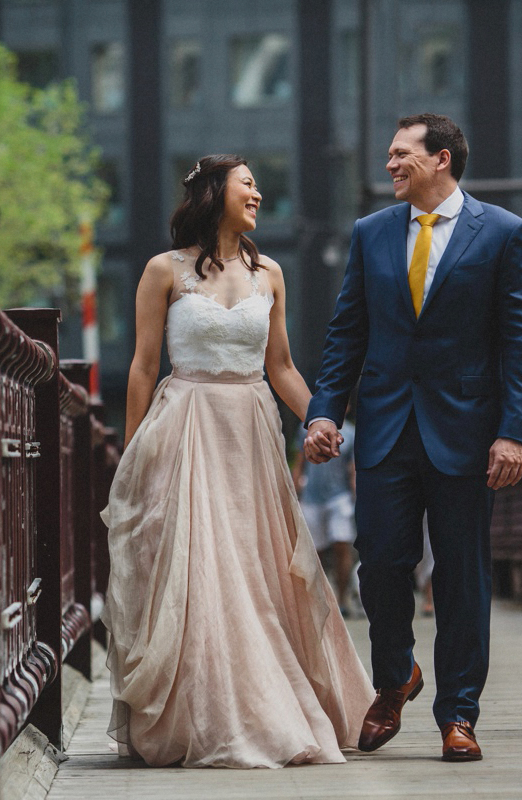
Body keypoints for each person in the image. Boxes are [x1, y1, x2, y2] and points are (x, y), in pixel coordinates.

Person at [100, 155, 374, 769]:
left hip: (250, 432)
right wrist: (132, 454)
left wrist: (319, 418)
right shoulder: (161, 271)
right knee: (198, 571)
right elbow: (144, 368)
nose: (256, 193)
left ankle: (266, 703)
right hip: (185, 427)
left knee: (258, 568)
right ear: (214, 191)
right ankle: (197, 713)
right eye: (247, 183)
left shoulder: (270, 273)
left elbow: (280, 367)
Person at [304, 113, 522, 762]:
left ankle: (459, 713)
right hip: (384, 431)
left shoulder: (503, 234)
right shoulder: (371, 234)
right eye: (389, 154)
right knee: (381, 564)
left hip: (467, 434)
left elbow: (521, 342)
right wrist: (323, 412)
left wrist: (513, 433)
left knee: (462, 575)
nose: (390, 165)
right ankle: (395, 677)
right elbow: (345, 333)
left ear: (441, 159)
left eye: (401, 153)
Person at [292, 416, 357, 616]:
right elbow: (299, 463)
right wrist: (294, 493)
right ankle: (316, 600)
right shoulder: (306, 428)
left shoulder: (351, 433)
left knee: (341, 545)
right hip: (312, 497)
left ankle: (342, 598)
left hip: (339, 497)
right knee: (314, 552)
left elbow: (353, 469)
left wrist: (358, 498)